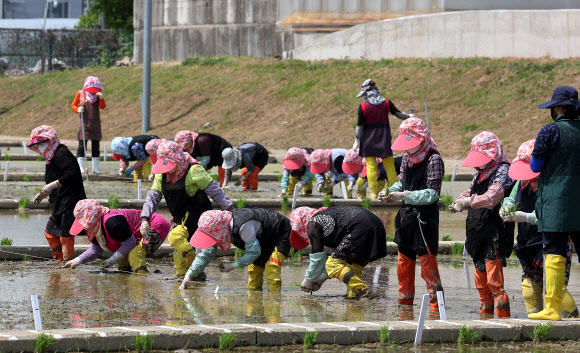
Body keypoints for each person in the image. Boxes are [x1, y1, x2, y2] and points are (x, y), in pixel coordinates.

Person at [501, 140, 578, 318]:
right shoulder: (520, 183)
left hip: (550, 241)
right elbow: (510, 199)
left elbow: (554, 213)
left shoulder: (553, 183)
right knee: (529, 285)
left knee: (555, 285)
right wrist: (506, 208)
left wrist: (525, 217)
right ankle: (534, 322)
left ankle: (572, 320)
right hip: (527, 241)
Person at [141, 140, 234, 278]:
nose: (166, 170)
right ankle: (185, 281)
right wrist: (145, 218)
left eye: (169, 166)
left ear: (177, 160)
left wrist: (232, 210)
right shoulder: (161, 174)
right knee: (178, 258)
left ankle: (197, 270)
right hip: (180, 218)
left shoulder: (193, 170)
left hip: (198, 216)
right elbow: (153, 197)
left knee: (175, 237)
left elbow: (216, 192)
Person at [378, 118, 444, 309]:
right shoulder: (407, 158)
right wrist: (391, 191)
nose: (408, 149)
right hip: (406, 218)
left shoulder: (434, 159)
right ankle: (404, 304)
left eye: (411, 144)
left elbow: (432, 194)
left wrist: (404, 195)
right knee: (403, 262)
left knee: (427, 263)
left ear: (422, 139)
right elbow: (402, 181)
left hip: (425, 220)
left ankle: (436, 308)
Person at [528, 86, 580, 321]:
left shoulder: (550, 131)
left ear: (558, 108)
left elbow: (536, 167)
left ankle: (552, 309)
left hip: (557, 202)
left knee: (555, 253)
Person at [450, 131, 515, 318]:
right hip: (476, 229)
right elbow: (473, 190)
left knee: (494, 279)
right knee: (479, 277)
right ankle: (485, 315)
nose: (479, 163)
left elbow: (491, 198)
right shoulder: (481, 172)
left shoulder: (504, 170)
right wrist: (460, 199)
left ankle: (503, 319)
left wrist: (467, 202)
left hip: (494, 230)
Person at [181, 208, 291, 291]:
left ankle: (274, 305)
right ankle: (255, 312)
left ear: (218, 230)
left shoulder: (243, 227)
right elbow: (205, 254)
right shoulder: (219, 231)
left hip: (280, 232)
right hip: (261, 239)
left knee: (272, 268)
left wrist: (232, 266)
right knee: (254, 274)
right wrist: (189, 274)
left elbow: (254, 252)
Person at [290, 205, 387, 299]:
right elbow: (339, 257)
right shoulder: (330, 218)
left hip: (361, 226)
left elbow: (318, 259)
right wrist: (320, 280)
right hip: (376, 225)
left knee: (332, 263)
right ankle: (354, 296)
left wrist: (308, 280)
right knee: (352, 266)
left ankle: (364, 291)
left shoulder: (313, 223)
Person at [27, 125, 86, 262]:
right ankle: (59, 260)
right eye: (39, 144)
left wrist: (52, 186)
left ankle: (67, 264)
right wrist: (46, 191)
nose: (41, 146)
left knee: (66, 235)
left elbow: (73, 174)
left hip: (70, 200)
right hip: (59, 200)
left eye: (43, 143)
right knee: (50, 233)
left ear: (51, 140)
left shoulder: (61, 153)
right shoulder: (50, 156)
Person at [64, 199, 170, 273]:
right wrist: (76, 261)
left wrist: (111, 260)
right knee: (121, 259)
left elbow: (130, 242)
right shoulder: (97, 228)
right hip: (137, 233)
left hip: (155, 225)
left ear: (90, 219)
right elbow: (95, 250)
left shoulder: (112, 223)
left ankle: (141, 283)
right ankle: (127, 283)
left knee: (135, 254)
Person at [352, 79, 410, 199]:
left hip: (368, 139)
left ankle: (373, 194)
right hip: (384, 137)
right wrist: (409, 117)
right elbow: (399, 114)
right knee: (389, 166)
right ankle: (394, 192)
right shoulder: (387, 103)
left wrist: (357, 140)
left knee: (371, 166)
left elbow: (360, 126)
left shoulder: (363, 106)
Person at [71, 76, 105, 174]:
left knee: (96, 145)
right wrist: (78, 110)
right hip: (84, 123)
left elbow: (102, 107)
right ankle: (81, 167)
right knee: (82, 146)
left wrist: (101, 98)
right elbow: (73, 104)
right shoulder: (80, 93)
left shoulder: (98, 95)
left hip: (95, 123)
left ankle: (95, 168)